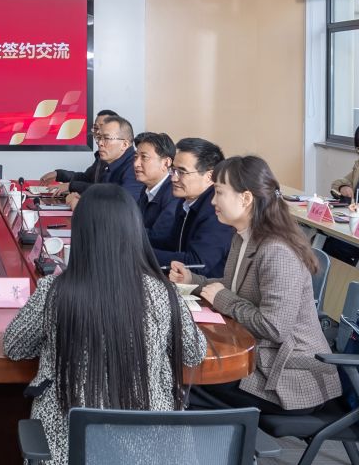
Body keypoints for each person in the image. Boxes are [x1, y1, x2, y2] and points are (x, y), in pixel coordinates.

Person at [4, 184, 208, 465]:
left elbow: (14, 346)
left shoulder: (57, 292)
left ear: (82, 235)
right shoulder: (163, 295)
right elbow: (195, 352)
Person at [182, 156, 345, 419]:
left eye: (219, 193)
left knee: (187, 381)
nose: (212, 201)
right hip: (261, 357)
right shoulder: (242, 237)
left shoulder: (277, 251)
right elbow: (235, 287)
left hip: (289, 376)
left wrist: (223, 299)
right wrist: (194, 280)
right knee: (185, 372)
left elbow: (274, 328)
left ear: (246, 198)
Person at [149, 137, 235, 278]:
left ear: (210, 176)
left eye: (182, 172)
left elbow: (196, 264)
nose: (173, 178)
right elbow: (172, 245)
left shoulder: (217, 210)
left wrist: (142, 254)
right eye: (173, 170)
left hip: (208, 288)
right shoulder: (186, 202)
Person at [63, 116, 139, 206]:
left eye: (106, 138)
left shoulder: (134, 168)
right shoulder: (109, 165)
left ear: (124, 144)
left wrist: (78, 204)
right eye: (99, 138)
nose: (100, 143)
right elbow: (103, 197)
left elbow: (122, 208)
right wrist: (83, 199)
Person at [39, 110, 122, 186]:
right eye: (96, 128)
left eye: (103, 128)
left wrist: (72, 187)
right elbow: (86, 178)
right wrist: (58, 174)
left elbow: (106, 190)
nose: (98, 132)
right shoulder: (101, 156)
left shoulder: (121, 160)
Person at [132, 131, 178, 234]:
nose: (136, 164)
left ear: (166, 163)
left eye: (144, 157)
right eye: (135, 157)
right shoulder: (146, 189)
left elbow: (159, 236)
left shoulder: (174, 194)